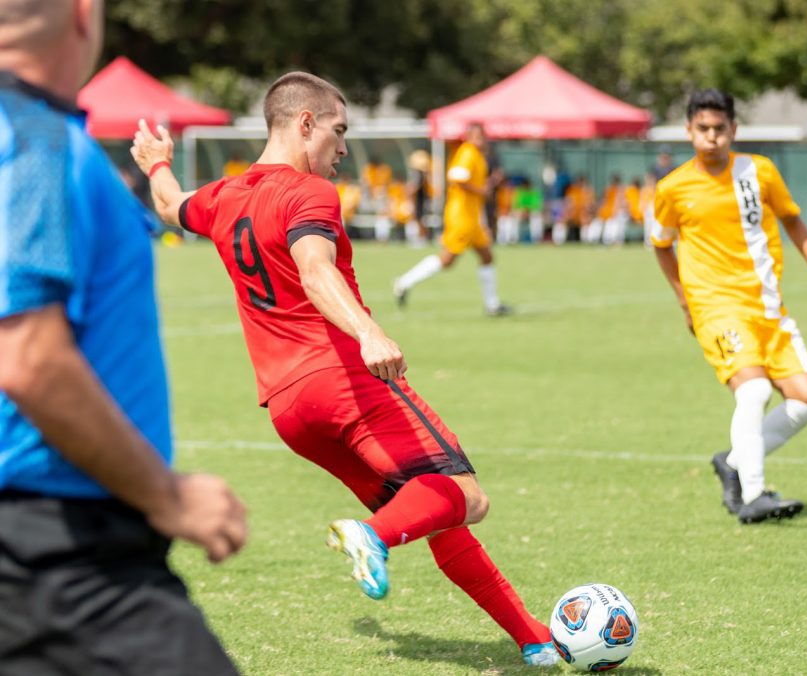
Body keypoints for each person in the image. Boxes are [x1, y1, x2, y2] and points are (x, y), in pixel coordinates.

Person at [130, 72, 558, 667]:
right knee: (465, 495)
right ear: (304, 124)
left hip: (288, 410)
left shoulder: (226, 196)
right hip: (342, 381)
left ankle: (532, 636)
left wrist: (157, 163)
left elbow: (172, 205)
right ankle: (371, 535)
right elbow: (315, 268)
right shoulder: (308, 194)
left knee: (430, 509)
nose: (344, 148)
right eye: (338, 130)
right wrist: (368, 331)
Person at [0, 1, 247, 674]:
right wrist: (169, 495)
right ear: (83, 14)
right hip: (65, 556)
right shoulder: (33, 143)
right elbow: (27, 358)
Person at [651, 88, 807, 524]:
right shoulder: (673, 188)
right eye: (703, 129)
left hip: (768, 306)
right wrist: (685, 301)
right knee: (754, 390)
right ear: (689, 131)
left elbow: (792, 218)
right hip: (715, 305)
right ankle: (754, 494)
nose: (712, 137)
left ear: (734, 130)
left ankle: (734, 461)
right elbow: (661, 245)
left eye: (720, 129)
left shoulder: (760, 172)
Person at [392, 123, 511, 316]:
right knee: (447, 260)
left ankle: (492, 305)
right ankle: (404, 282)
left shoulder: (477, 155)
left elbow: (471, 183)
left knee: (487, 256)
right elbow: (457, 178)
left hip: (471, 216)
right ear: (469, 138)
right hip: (462, 217)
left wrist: (490, 184)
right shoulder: (468, 153)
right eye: (477, 137)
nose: (481, 141)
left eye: (483, 137)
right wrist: (482, 190)